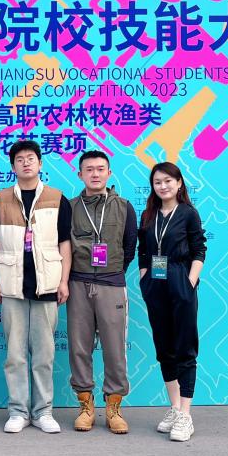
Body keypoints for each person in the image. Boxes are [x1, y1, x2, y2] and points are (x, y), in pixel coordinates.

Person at [0, 140, 72, 434]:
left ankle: (43, 411)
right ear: (12, 166)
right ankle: (18, 411)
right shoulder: (0, 199)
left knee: (44, 355)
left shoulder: (57, 198)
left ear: (40, 163)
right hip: (12, 285)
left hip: (47, 284)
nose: (25, 163)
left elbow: (65, 243)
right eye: (20, 159)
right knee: (15, 355)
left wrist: (63, 281)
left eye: (31, 158)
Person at [67, 150, 137, 434]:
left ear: (109, 173)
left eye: (100, 169)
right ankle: (85, 406)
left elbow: (129, 246)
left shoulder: (124, 207)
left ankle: (113, 407)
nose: (95, 174)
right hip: (77, 284)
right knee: (79, 347)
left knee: (114, 348)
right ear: (79, 174)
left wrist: (112, 271)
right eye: (89, 169)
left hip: (111, 284)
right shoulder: (69, 207)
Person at [138, 162, 207, 442]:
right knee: (164, 347)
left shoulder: (188, 213)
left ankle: (186, 415)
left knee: (185, 348)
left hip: (180, 279)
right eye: (157, 182)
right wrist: (144, 279)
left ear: (179, 183)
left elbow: (199, 249)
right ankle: (175, 408)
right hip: (155, 283)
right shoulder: (148, 215)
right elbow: (144, 251)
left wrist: (189, 281)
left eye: (168, 181)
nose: (163, 186)